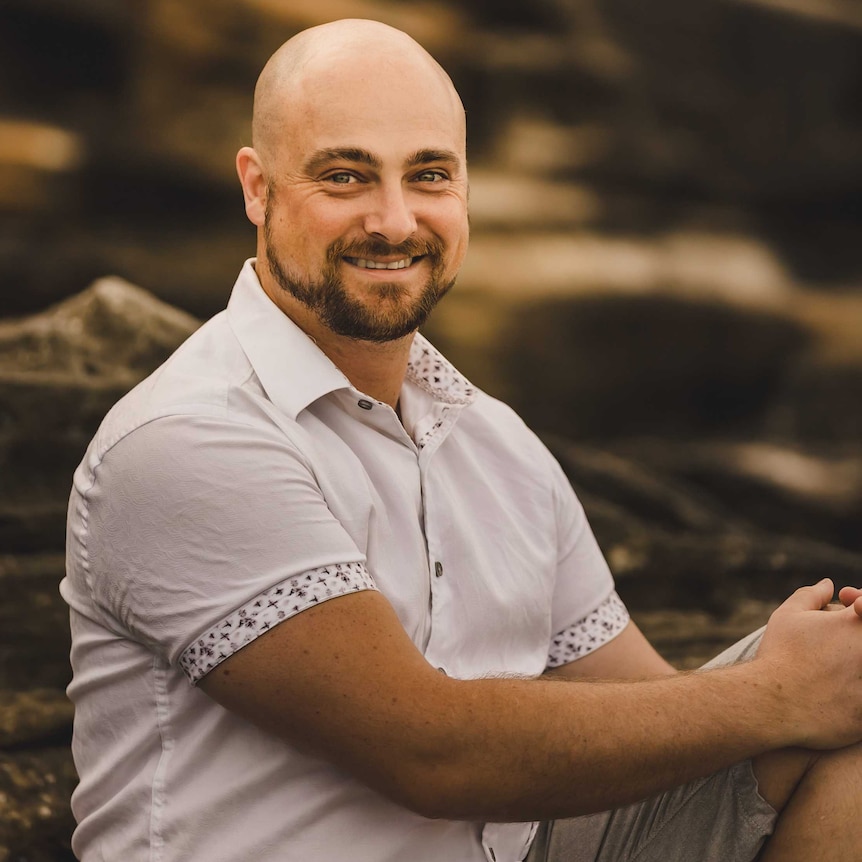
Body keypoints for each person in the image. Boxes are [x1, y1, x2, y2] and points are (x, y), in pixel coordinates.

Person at [61, 18, 862, 862]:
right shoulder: (189, 439)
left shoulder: (498, 447)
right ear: (258, 188)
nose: (395, 220)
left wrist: (814, 674)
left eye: (430, 175)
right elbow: (430, 751)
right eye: (345, 176)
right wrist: (774, 694)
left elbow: (662, 722)